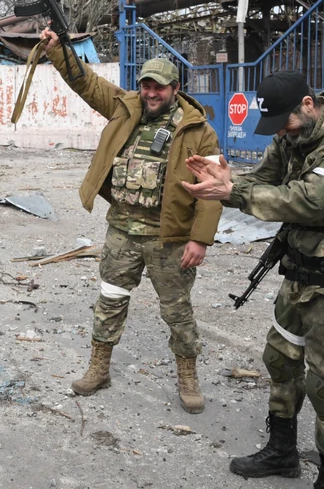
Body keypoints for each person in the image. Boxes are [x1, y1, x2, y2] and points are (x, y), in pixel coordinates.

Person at [41, 27, 222, 413]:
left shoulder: (198, 131)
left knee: (177, 310)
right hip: (122, 228)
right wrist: (58, 52)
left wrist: (200, 240)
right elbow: (87, 83)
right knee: (110, 299)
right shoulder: (127, 108)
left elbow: (211, 189)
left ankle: (188, 377)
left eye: (159, 87)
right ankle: (98, 368)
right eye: (146, 86)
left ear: (175, 88)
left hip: (168, 237)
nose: (151, 94)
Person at [184, 70, 324, 485]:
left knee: (322, 382)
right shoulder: (290, 136)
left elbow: (308, 202)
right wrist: (227, 181)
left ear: (308, 105)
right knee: (280, 359)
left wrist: (235, 194)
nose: (281, 132)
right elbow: (263, 180)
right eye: (276, 126)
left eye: (286, 123)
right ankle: (282, 453)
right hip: (298, 272)